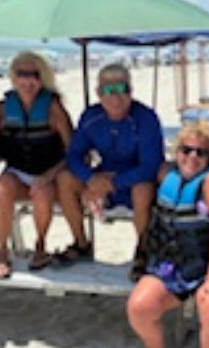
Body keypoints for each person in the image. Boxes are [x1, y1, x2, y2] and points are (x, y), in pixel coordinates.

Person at [127, 121, 209, 348]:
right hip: (170, 265)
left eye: (201, 153)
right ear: (176, 152)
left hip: (206, 266)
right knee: (139, 308)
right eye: (186, 150)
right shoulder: (166, 175)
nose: (192, 157)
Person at [59, 62, 163, 273]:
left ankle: (143, 250)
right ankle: (80, 242)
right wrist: (89, 179)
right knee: (65, 179)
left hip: (134, 180)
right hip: (102, 178)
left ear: (131, 91)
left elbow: (151, 165)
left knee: (143, 188)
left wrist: (114, 183)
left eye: (122, 89)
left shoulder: (146, 118)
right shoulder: (91, 116)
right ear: (99, 93)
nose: (115, 97)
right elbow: (74, 155)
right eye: (108, 90)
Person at [0, 51, 79, 278]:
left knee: (42, 192)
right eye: (22, 74)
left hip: (50, 173)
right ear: (13, 77)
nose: (28, 81)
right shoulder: (2, 109)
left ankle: (40, 245)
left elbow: (73, 150)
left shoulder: (53, 108)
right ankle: (2, 250)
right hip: (18, 172)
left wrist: (49, 175)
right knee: (1, 187)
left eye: (34, 75)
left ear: (43, 78)